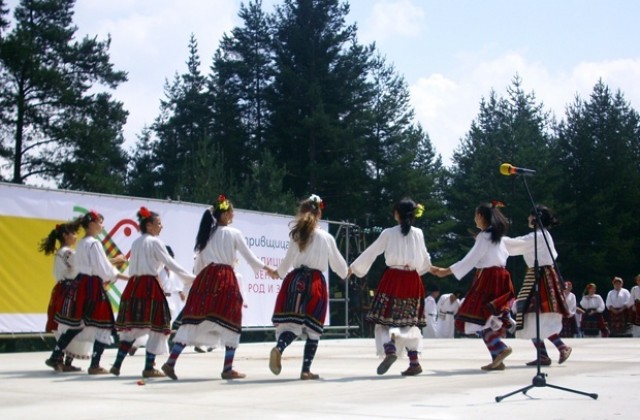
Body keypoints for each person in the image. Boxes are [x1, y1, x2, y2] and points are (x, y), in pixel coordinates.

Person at [161, 195, 274, 380]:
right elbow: (250, 257)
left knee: (193, 320)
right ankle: (227, 368)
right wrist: (268, 269)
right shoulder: (234, 233)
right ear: (225, 214)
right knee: (231, 320)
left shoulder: (208, 235)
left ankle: (171, 362)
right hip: (224, 280)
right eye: (231, 211)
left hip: (206, 280)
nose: (233, 213)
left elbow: (199, 264)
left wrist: (192, 287)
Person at [268, 194, 349, 380]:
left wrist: (277, 273)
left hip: (294, 282)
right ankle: (305, 370)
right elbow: (339, 264)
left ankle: (279, 347)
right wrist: (346, 272)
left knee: (292, 324)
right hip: (314, 284)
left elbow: (287, 261)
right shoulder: (325, 237)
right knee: (313, 330)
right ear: (319, 213)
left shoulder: (297, 235)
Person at [349, 198, 431, 376]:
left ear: (397, 214)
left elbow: (372, 251)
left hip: (393, 278)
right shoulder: (419, 233)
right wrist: (425, 269)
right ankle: (414, 362)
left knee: (383, 320)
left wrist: (354, 268)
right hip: (413, 280)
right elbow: (425, 260)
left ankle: (390, 350)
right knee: (409, 324)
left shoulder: (388, 233)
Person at [110, 207, 195, 378]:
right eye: (158, 223)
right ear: (149, 225)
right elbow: (170, 263)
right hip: (149, 286)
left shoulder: (136, 242)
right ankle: (149, 367)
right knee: (159, 326)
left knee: (131, 327)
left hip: (134, 286)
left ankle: (117, 364)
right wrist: (191, 278)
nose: (161, 226)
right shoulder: (155, 242)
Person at [431, 201, 515, 371]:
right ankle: (496, 359)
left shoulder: (484, 236)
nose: (474, 219)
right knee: (488, 318)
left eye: (476, 215)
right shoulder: (497, 237)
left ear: (481, 216)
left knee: (472, 318)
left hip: (487, 279)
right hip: (502, 278)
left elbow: (471, 259)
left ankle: (499, 347)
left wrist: (446, 271)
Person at [45, 210, 129, 374]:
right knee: (104, 323)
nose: (102, 225)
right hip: (91, 285)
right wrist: (120, 275)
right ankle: (94, 364)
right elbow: (102, 268)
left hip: (80, 284)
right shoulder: (94, 243)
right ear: (91, 224)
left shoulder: (82, 243)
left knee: (77, 323)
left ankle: (56, 355)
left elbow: (91, 265)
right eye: (100, 222)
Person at [503, 205, 572, 366]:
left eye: (530, 216)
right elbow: (519, 244)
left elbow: (516, 244)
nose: (528, 218)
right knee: (530, 315)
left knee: (535, 315)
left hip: (541, 276)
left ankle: (561, 347)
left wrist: (496, 238)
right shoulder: (542, 235)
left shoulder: (539, 236)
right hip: (539, 275)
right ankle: (546, 354)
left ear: (536, 218)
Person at [40, 220, 82, 372]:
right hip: (69, 291)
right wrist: (112, 262)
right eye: (73, 233)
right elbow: (84, 266)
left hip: (63, 290)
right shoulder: (68, 253)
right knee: (75, 325)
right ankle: (57, 356)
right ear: (65, 235)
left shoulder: (62, 252)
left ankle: (62, 360)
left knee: (68, 326)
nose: (76, 236)